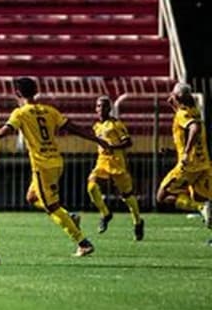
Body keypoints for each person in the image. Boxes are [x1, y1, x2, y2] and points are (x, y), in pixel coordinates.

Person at [0, 77, 109, 257]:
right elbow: (73, 128)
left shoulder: (20, 113)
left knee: (51, 207)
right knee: (32, 197)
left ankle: (82, 242)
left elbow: (6, 131)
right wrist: (97, 139)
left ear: (17, 93)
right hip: (56, 161)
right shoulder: (50, 111)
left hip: (43, 166)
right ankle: (69, 217)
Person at [87, 96, 144, 241]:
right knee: (91, 186)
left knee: (127, 196)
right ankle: (105, 214)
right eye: (99, 106)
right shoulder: (96, 126)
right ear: (95, 109)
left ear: (110, 108)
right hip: (102, 162)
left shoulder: (116, 125)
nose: (101, 109)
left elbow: (128, 142)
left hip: (117, 163)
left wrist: (112, 147)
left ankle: (138, 222)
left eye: (105, 106)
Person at [156, 82, 211, 227]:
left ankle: (200, 208)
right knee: (201, 197)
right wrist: (175, 152)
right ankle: (204, 209)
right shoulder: (194, 111)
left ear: (177, 96)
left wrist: (185, 153)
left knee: (162, 196)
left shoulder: (182, 115)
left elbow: (194, 128)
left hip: (188, 166)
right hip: (203, 163)